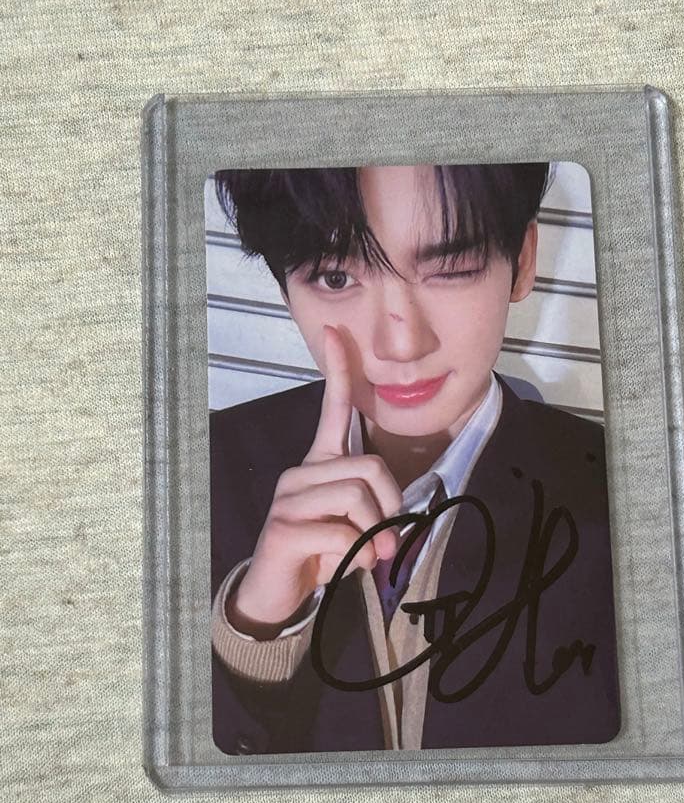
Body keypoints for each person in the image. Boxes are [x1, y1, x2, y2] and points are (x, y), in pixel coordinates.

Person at [209, 163, 620, 754]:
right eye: (335, 277)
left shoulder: (631, 493)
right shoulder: (200, 470)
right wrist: (256, 629)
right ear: (284, 289)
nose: (401, 344)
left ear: (523, 259)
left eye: (450, 270)